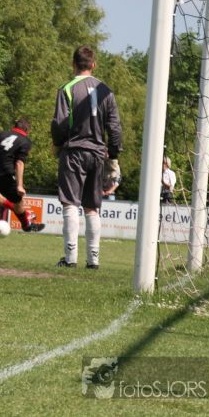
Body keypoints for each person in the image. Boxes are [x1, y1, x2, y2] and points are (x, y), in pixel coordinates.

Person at [51, 45, 122, 269]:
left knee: (70, 202)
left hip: (74, 151)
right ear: (93, 65)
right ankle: (93, 260)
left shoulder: (67, 88)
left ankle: (70, 258)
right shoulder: (106, 90)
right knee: (92, 206)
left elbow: (59, 123)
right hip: (98, 153)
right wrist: (113, 153)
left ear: (73, 64)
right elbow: (115, 127)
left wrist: (57, 143)